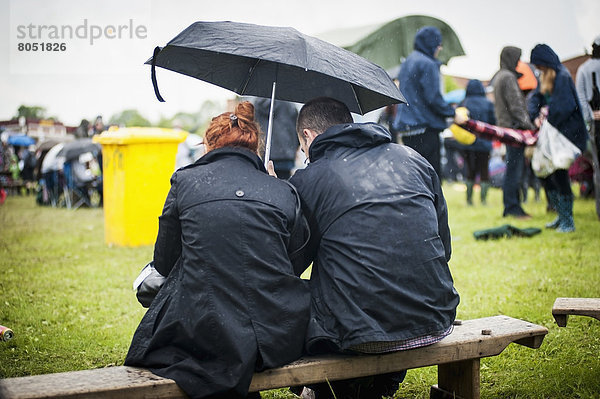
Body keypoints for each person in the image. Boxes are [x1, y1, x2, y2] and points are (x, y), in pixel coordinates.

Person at [124, 101, 311, 399]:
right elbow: (293, 261)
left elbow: (164, 262)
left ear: (209, 144)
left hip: (199, 329)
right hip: (272, 332)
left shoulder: (185, 181)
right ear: (256, 147)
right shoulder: (282, 190)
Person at [289, 97, 460, 399]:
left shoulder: (310, 178)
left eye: (303, 148)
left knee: (289, 296)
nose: (305, 154)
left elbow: (288, 267)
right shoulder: (412, 158)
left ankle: (329, 390)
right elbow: (443, 249)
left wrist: (278, 199)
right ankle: (381, 384)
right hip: (434, 315)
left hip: (360, 334)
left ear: (308, 136)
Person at [528, 44, 588, 232]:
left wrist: (547, 118)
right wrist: (535, 115)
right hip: (551, 134)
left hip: (567, 135)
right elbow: (535, 99)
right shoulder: (544, 76)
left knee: (560, 173)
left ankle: (567, 220)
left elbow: (565, 107)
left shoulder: (561, 76)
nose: (537, 69)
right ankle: (560, 215)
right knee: (545, 173)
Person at [393, 26, 456, 178]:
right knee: (430, 177)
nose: (439, 48)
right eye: (438, 44)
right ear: (431, 44)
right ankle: (431, 203)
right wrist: (452, 113)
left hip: (408, 128)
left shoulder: (408, 61)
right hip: (424, 128)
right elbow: (433, 98)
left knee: (414, 176)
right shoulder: (428, 63)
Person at [491, 46, 536, 218]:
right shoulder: (508, 77)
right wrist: (530, 127)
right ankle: (512, 207)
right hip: (515, 130)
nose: (519, 62)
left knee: (512, 169)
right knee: (514, 171)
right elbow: (516, 106)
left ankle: (512, 206)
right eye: (517, 59)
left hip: (507, 128)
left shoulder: (500, 76)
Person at [459, 79, 496, 205]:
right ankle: (484, 200)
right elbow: (493, 122)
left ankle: (469, 200)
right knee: (484, 170)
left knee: (470, 170)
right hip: (485, 142)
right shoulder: (488, 104)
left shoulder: (464, 103)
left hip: (468, 142)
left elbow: (459, 123)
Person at [253, 97, 299, 179]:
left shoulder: (256, 106)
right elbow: (297, 130)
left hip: (264, 155)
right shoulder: (289, 105)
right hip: (285, 156)